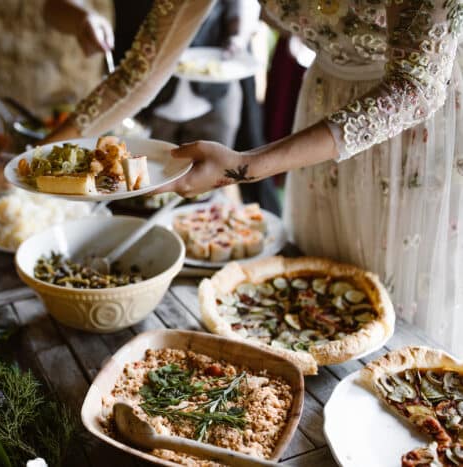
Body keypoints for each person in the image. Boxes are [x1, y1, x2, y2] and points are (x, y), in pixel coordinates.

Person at [45, 0, 463, 356]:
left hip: (413, 134)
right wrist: (36, 158)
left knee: (404, 313)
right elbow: (138, 71)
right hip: (321, 111)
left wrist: (244, 166)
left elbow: (416, 87)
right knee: (320, 298)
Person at [44, 0, 280, 214]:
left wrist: (240, 30)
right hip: (138, 113)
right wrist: (83, 18)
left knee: (207, 203)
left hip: (217, 94)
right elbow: (52, 8)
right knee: (139, 199)